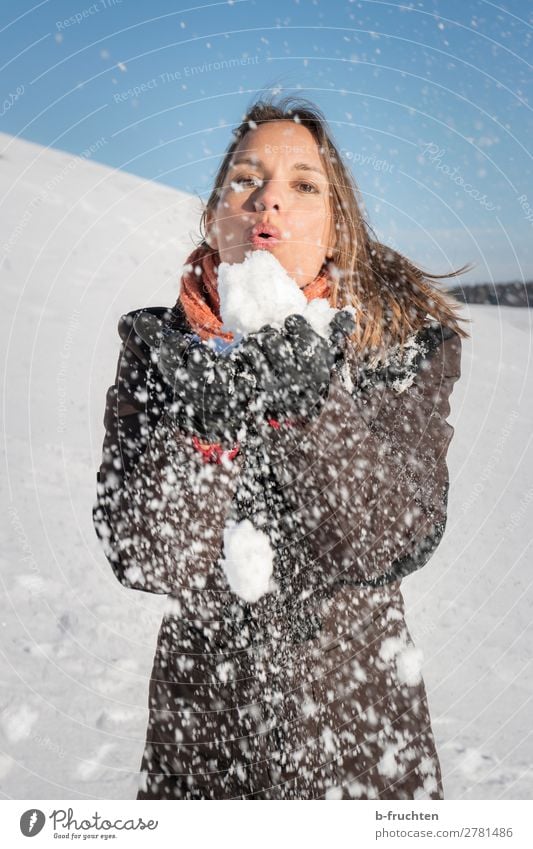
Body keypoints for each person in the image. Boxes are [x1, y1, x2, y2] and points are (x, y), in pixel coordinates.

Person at [92, 94, 471, 800]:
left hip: (358, 744)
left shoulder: (394, 350)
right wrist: (206, 425)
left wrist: (312, 409)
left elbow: (384, 536)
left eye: (303, 185)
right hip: (203, 744)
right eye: (244, 179)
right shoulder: (158, 352)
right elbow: (149, 553)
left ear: (334, 228)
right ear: (214, 217)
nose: (268, 200)